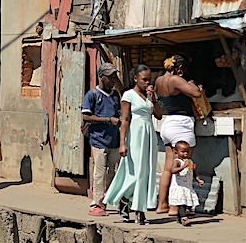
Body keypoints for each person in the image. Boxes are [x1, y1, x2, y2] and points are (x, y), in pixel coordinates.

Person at [104, 65, 160, 225]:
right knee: (135, 173)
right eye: (144, 79)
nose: (147, 82)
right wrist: (122, 143)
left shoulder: (149, 96)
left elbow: (158, 114)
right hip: (134, 136)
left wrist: (154, 98)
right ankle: (125, 198)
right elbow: (125, 120)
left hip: (149, 135)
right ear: (136, 78)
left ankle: (140, 211)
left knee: (146, 173)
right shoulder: (128, 95)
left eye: (149, 79)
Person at [155, 54, 203, 213]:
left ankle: (162, 204)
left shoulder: (159, 80)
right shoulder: (175, 79)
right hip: (181, 125)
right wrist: (191, 84)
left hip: (168, 124)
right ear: (179, 68)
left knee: (169, 167)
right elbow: (196, 93)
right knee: (183, 166)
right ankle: (175, 206)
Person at [82, 65, 122, 216]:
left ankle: (104, 198)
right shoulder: (92, 95)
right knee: (99, 172)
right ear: (102, 77)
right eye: (110, 77)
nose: (113, 80)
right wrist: (107, 120)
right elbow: (86, 116)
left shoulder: (115, 95)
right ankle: (96, 204)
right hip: (98, 139)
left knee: (111, 171)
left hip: (114, 140)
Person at [167, 140, 198, 226]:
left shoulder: (190, 161)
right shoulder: (177, 161)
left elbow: (194, 171)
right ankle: (183, 218)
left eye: (187, 152)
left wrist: (198, 179)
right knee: (181, 203)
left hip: (187, 186)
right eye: (183, 152)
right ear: (176, 152)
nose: (185, 154)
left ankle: (179, 218)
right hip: (179, 186)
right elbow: (173, 170)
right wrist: (183, 166)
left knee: (185, 202)